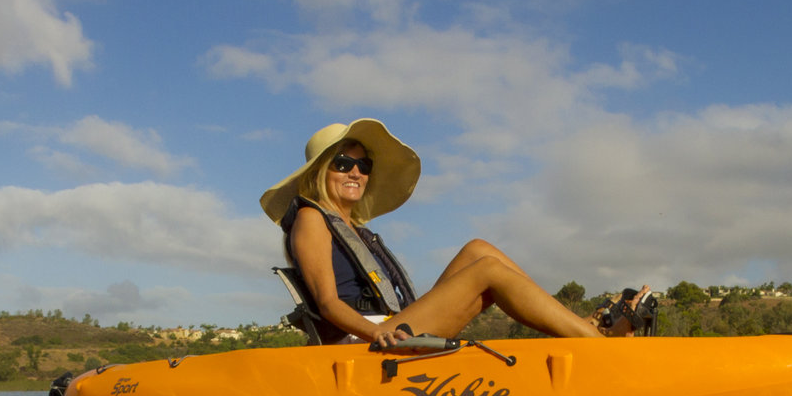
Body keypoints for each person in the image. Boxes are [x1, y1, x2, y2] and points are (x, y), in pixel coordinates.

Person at [259, 118, 648, 344]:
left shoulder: (353, 227)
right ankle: (595, 344)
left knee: (479, 249)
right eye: (343, 164)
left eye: (363, 166)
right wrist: (377, 336)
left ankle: (581, 329)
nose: (356, 173)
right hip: (365, 339)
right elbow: (328, 304)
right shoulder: (312, 218)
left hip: (394, 324)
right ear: (320, 172)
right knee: (487, 273)